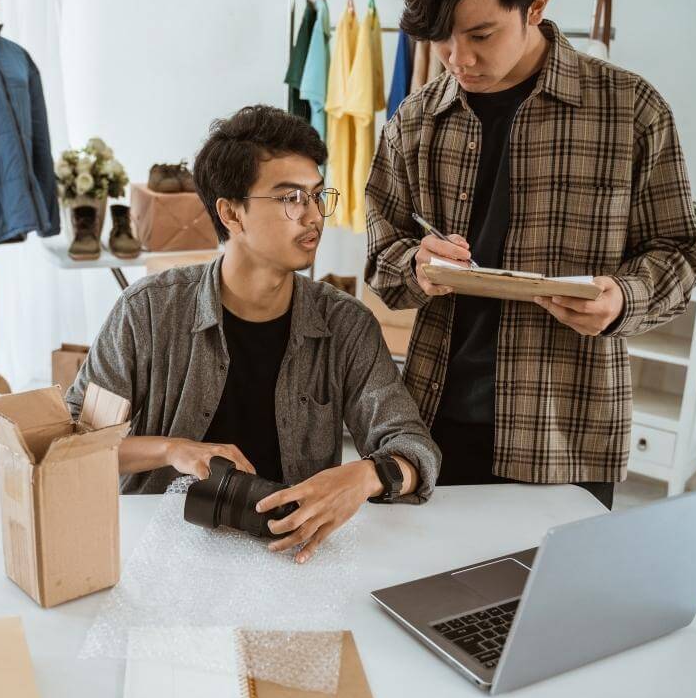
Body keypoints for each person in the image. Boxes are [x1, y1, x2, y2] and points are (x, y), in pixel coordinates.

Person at [365, 0, 696, 509]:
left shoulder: (631, 111)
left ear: (537, 4)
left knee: (546, 596)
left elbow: (679, 255)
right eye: (441, 39)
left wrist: (622, 298)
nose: (457, 58)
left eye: (480, 34)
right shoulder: (415, 121)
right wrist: (416, 265)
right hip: (432, 424)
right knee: (420, 592)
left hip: (566, 431)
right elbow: (381, 257)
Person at [67, 105, 441, 563]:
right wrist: (173, 450)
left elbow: (413, 449)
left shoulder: (346, 324)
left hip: (293, 553)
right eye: (290, 199)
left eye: (317, 196)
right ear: (231, 213)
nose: (313, 217)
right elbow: (74, 447)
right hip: (162, 549)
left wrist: (367, 475)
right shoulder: (147, 311)